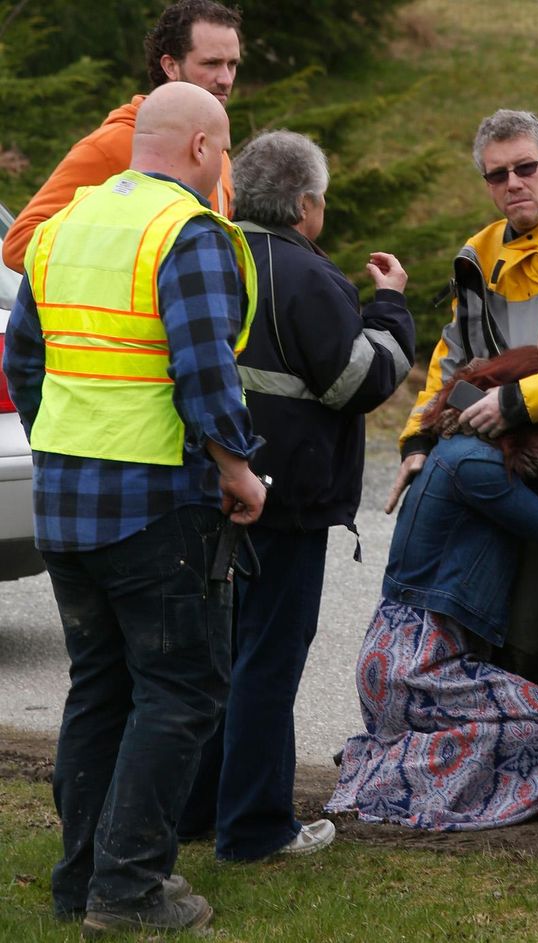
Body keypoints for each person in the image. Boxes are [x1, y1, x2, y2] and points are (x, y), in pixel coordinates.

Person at [2, 82, 265, 935]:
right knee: (181, 690)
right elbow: (204, 370)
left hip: (66, 505)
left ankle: (80, 880)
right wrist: (238, 468)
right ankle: (129, 890)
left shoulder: (64, 226)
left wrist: (65, 446)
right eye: (222, 150)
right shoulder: (183, 233)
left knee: (101, 689)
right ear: (200, 149)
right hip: (156, 506)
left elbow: (25, 360)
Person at [195, 130, 414, 862]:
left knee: (215, 657)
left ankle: (200, 807)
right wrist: (389, 309)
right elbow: (359, 383)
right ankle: (255, 827)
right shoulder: (307, 275)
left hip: (208, 487)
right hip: (285, 502)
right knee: (269, 659)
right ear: (306, 205)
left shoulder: (207, 255)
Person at [327, 347, 538, 830]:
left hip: (405, 660)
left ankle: (391, 758)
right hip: (417, 666)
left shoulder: (466, 454)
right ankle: (385, 772)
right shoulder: (474, 465)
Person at [385, 108, 538, 515]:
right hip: (501, 444)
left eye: (525, 168)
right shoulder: (479, 251)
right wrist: (417, 440)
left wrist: (515, 403)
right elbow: (451, 358)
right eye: (498, 175)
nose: (513, 183)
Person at [2, 0, 242, 274]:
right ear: (170, 66)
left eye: (232, 64)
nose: (225, 78)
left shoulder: (217, 150)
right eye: (211, 63)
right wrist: (137, 263)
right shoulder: (113, 144)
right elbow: (20, 245)